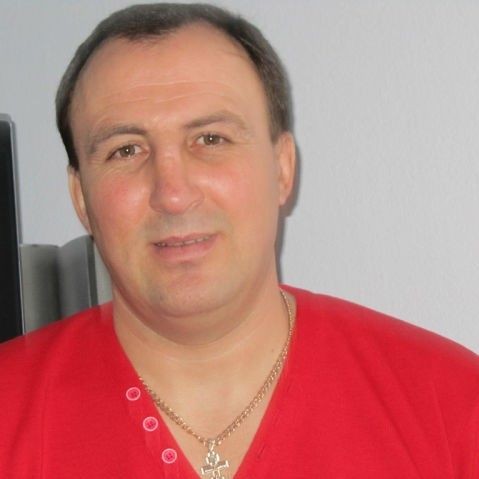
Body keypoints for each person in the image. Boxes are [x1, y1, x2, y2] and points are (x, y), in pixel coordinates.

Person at [0, 3, 478, 478]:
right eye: (126, 150)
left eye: (211, 139)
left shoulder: (453, 410)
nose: (173, 193)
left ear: (282, 168)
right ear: (81, 198)